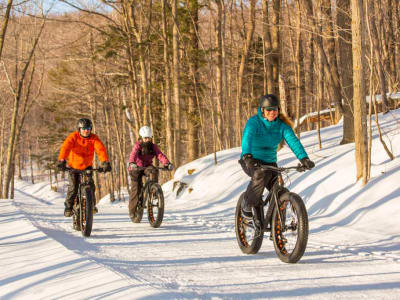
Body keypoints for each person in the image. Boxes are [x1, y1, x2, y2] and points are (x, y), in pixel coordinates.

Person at [239, 94, 315, 218]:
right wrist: (247, 155)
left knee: (280, 191)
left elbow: (293, 142)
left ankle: (277, 225)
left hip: (269, 162)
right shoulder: (254, 122)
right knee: (259, 175)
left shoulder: (282, 126)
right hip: (250, 159)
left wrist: (304, 158)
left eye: (275, 109)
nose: (272, 112)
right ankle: (247, 203)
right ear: (262, 110)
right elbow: (247, 138)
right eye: (269, 109)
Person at [57, 118, 112, 217]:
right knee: (73, 187)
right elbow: (66, 147)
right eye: (84, 128)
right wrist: (62, 160)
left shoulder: (94, 138)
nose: (86, 130)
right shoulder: (73, 137)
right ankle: (68, 207)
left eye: (88, 128)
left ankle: (91, 205)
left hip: (87, 167)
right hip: (73, 167)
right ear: (79, 129)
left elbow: (101, 149)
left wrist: (104, 162)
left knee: (90, 186)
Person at [128, 126, 173, 219]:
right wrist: (132, 162)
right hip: (135, 168)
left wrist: (167, 163)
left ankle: (154, 190)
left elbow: (160, 155)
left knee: (154, 170)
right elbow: (133, 154)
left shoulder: (153, 146)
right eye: (145, 138)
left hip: (147, 166)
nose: (147, 139)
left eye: (149, 137)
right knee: (136, 189)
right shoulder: (138, 145)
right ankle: (132, 212)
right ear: (141, 137)